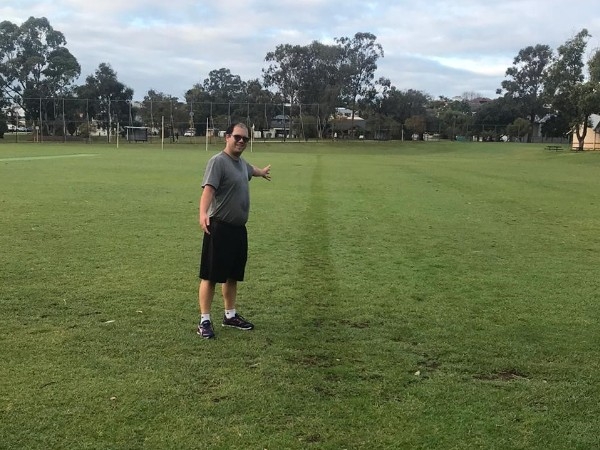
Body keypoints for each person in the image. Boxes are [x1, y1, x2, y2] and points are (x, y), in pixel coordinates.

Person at [197, 122, 271, 339]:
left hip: (238, 230)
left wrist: (261, 172)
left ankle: (230, 315)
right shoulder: (218, 162)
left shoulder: (241, 163)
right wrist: (202, 214)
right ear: (227, 137)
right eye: (237, 137)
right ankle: (204, 320)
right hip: (218, 227)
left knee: (232, 276)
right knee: (210, 276)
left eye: (245, 139)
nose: (241, 141)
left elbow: (251, 170)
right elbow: (208, 190)